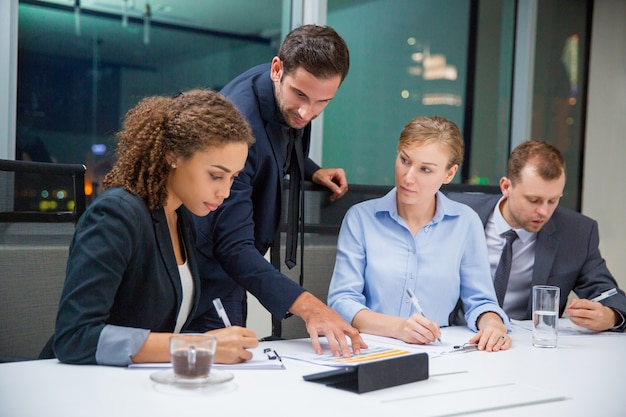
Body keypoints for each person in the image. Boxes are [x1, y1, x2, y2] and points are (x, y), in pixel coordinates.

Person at [190, 24, 364, 357]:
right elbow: (231, 245)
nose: (306, 112)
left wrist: (309, 169)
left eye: (321, 102)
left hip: (232, 263)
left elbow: (280, 141)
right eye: (300, 95)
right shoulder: (239, 129)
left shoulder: (288, 88)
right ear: (276, 69)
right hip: (206, 268)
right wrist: (310, 306)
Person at [51, 89, 260, 366]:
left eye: (233, 178)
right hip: (85, 387)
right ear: (173, 155)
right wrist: (200, 345)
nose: (225, 191)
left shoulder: (179, 216)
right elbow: (75, 337)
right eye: (215, 175)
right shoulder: (116, 215)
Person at [327, 116, 511, 352]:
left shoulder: (465, 223)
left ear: (448, 174)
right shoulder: (361, 218)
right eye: (404, 160)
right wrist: (399, 328)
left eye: (425, 169)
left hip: (437, 352)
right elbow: (342, 301)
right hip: (370, 350)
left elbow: (481, 301)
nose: (408, 176)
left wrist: (494, 325)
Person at [448, 140, 626, 332]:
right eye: (534, 200)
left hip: (526, 345)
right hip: (457, 335)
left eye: (553, 200)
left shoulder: (577, 233)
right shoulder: (457, 213)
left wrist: (610, 316)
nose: (543, 211)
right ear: (506, 187)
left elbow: (608, 293)